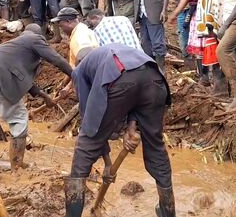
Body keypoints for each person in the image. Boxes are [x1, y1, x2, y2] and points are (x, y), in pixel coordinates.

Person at [65, 43, 174, 217]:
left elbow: (91, 124)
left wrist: (108, 163)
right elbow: (136, 91)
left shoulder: (80, 71)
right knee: (156, 148)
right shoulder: (112, 52)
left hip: (121, 77)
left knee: (85, 145)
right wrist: (131, 127)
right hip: (155, 78)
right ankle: (168, 211)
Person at [0, 24, 72, 169]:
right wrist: (75, 74)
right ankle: (17, 165)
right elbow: (56, 59)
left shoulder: (13, 47)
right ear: (39, 35)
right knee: (18, 118)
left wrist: (44, 96)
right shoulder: (34, 38)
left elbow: (21, 77)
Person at [189, 0, 228, 95]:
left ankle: (221, 90)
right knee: (213, 56)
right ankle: (218, 88)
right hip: (208, 26)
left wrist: (210, 27)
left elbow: (215, 5)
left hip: (212, 26)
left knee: (217, 57)